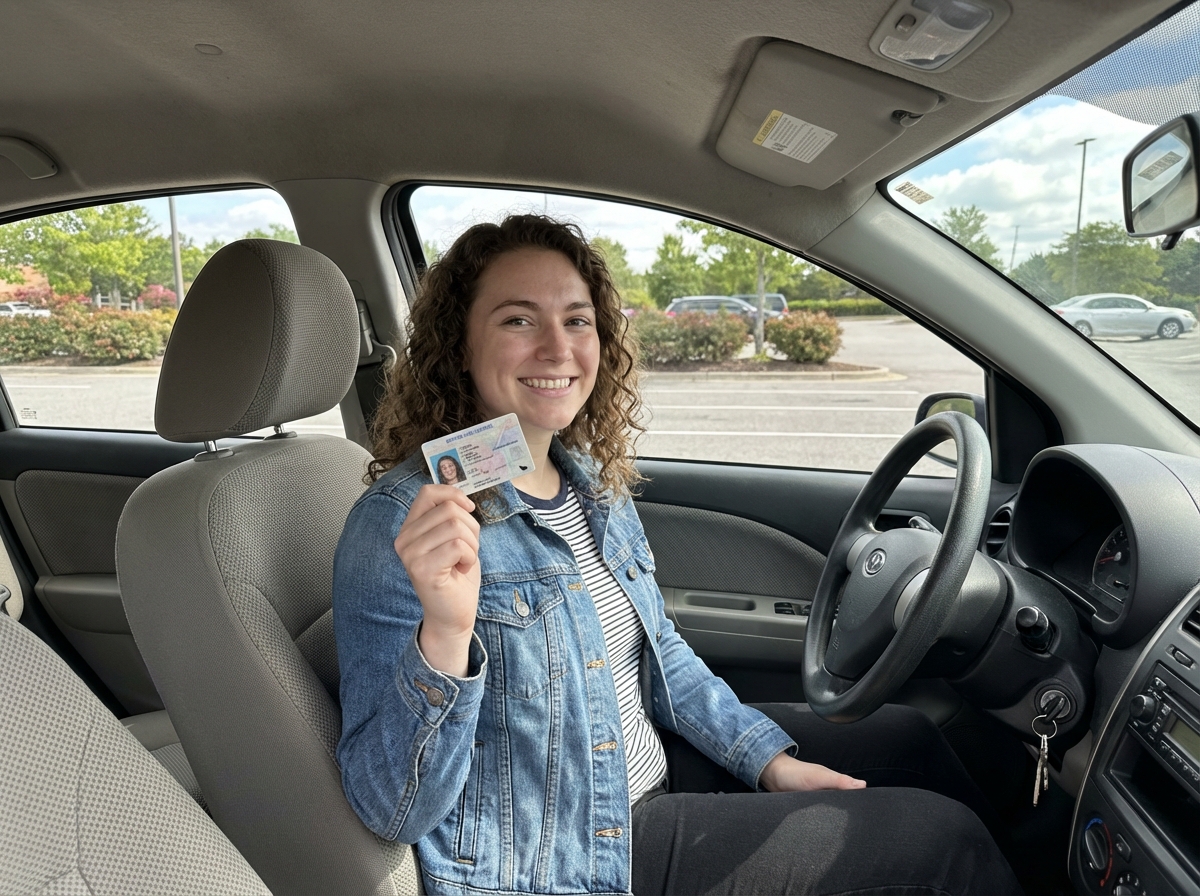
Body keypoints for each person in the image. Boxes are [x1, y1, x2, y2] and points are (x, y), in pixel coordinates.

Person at [332, 215, 1019, 895]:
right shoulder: (404, 524)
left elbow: (661, 652)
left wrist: (765, 759)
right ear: (458, 345)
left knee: (910, 741)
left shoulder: (591, 485)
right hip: (566, 849)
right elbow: (393, 806)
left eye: (577, 320)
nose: (557, 349)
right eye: (518, 321)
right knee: (941, 842)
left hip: (648, 764)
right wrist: (446, 636)